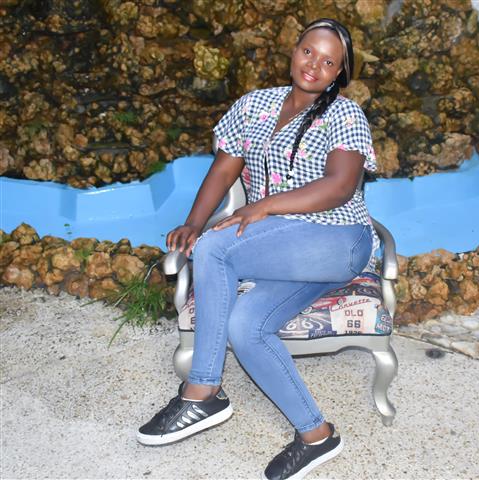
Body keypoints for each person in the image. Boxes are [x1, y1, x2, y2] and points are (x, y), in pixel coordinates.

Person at [136, 18, 378, 480]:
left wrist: (261, 207)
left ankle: (202, 392)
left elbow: (340, 187)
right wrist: (193, 221)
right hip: (284, 249)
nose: (314, 65)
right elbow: (224, 170)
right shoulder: (254, 105)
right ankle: (318, 435)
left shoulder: (345, 115)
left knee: (216, 248)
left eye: (329, 62)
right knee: (246, 326)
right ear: (294, 50)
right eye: (309, 51)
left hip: (338, 241)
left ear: (339, 74)